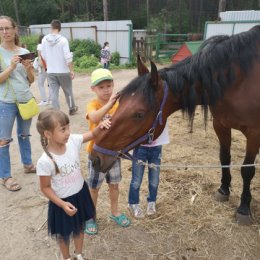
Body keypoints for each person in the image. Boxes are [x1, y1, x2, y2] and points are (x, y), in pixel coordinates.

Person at [36, 108, 111, 260]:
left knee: (79, 228)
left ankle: (79, 254)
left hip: (80, 194)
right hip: (62, 202)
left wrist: (101, 125)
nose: (68, 132)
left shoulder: (72, 141)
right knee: (63, 234)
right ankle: (66, 257)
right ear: (48, 134)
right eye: (62, 129)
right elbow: (45, 188)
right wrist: (62, 204)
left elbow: (92, 135)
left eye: (68, 127)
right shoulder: (44, 161)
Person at [85, 68, 130, 235]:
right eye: (101, 87)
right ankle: (90, 216)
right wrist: (110, 104)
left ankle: (115, 211)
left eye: (109, 86)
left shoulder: (119, 105)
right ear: (93, 89)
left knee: (114, 185)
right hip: (97, 155)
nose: (106, 90)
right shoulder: (93, 105)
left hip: (114, 155)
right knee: (94, 188)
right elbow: (95, 118)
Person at [0, 15, 36, 192]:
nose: (5, 32)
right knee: (3, 140)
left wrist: (29, 69)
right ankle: (6, 176)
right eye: (1, 29)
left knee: (24, 135)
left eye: (8, 28)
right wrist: (11, 67)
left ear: (15, 29)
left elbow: (30, 80)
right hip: (6, 103)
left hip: (25, 99)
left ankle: (28, 164)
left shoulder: (24, 51)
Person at [128, 125, 170, 218]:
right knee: (136, 180)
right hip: (140, 148)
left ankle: (152, 202)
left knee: (154, 180)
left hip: (156, 148)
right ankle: (133, 203)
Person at [41, 19, 78, 115]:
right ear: (59, 29)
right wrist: (71, 70)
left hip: (50, 71)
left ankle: (56, 112)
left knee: (53, 93)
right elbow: (68, 57)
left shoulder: (44, 40)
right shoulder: (63, 40)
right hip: (63, 71)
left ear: (51, 27)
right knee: (68, 91)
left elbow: (43, 55)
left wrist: (49, 64)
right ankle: (72, 109)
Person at [36, 34, 50, 106]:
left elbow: (40, 56)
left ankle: (44, 100)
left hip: (43, 66)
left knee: (40, 83)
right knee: (50, 83)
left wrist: (40, 65)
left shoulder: (40, 46)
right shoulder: (48, 45)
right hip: (50, 66)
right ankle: (50, 99)